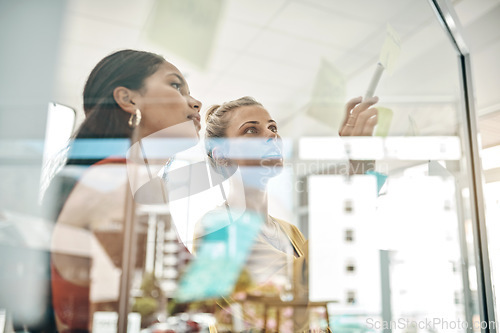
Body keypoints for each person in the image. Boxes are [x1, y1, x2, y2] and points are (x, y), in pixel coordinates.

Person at [44, 49, 202, 332]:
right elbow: (137, 310)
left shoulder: (137, 180)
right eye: (176, 86)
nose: (195, 103)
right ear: (128, 99)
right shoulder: (115, 178)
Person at [193, 95, 378, 331]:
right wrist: (357, 171)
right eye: (251, 130)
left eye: (272, 128)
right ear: (220, 154)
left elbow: (332, 291)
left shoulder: (290, 232)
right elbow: (292, 295)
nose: (271, 135)